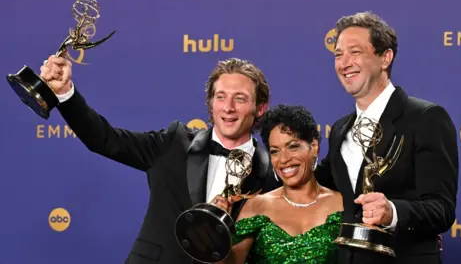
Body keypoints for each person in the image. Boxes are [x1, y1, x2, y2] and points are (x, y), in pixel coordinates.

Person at [39, 56, 283, 264]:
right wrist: (65, 94)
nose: (228, 107)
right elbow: (104, 139)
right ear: (211, 103)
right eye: (220, 97)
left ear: (260, 108)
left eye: (239, 99)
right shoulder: (174, 144)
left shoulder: (273, 176)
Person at [317, 11, 459, 264]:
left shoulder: (425, 117)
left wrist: (392, 211)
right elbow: (318, 186)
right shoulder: (340, 130)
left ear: (385, 57)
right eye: (338, 54)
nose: (344, 62)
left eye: (355, 52)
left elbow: (441, 209)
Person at [211, 104, 344, 263]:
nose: (283, 159)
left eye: (293, 146)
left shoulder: (341, 204)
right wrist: (214, 230)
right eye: (275, 151)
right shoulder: (256, 206)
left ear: (314, 147)